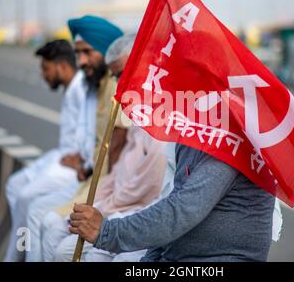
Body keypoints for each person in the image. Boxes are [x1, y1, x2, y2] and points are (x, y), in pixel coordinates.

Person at [69, 39, 277, 262]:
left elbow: (184, 209)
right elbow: (174, 204)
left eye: (175, 73)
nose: (165, 82)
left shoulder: (232, 135)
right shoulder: (193, 129)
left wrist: (106, 232)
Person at [23, 16, 129, 261]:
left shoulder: (116, 86)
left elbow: (116, 150)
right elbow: (97, 143)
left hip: (109, 187)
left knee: (49, 222)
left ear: (106, 50)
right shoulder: (97, 85)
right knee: (40, 213)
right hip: (92, 179)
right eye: (78, 53)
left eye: (87, 53)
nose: (80, 61)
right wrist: (88, 165)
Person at [4, 39, 85, 261]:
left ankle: (17, 257)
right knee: (14, 186)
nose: (43, 75)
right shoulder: (73, 87)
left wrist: (84, 160)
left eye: (45, 68)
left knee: (27, 198)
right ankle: (21, 245)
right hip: (61, 156)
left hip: (74, 165)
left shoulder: (80, 88)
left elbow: (96, 130)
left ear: (62, 66)